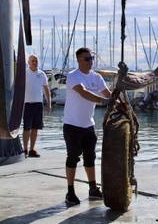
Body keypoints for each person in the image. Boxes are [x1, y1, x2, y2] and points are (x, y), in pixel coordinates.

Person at [63, 47, 111, 206]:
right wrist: (103, 102)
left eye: (91, 58)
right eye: (87, 59)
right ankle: (70, 192)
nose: (90, 61)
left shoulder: (96, 77)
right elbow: (82, 92)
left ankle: (93, 188)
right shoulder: (73, 76)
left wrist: (117, 101)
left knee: (90, 157)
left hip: (88, 125)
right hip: (72, 125)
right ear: (78, 60)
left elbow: (107, 93)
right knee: (73, 157)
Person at [23, 54, 51, 158]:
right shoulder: (25, 73)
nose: (35, 63)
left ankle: (32, 150)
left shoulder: (42, 74)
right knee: (27, 128)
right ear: (28, 62)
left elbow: (46, 89)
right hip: (27, 104)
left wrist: (49, 103)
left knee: (35, 128)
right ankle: (24, 149)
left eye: (36, 61)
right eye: (32, 61)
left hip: (38, 104)